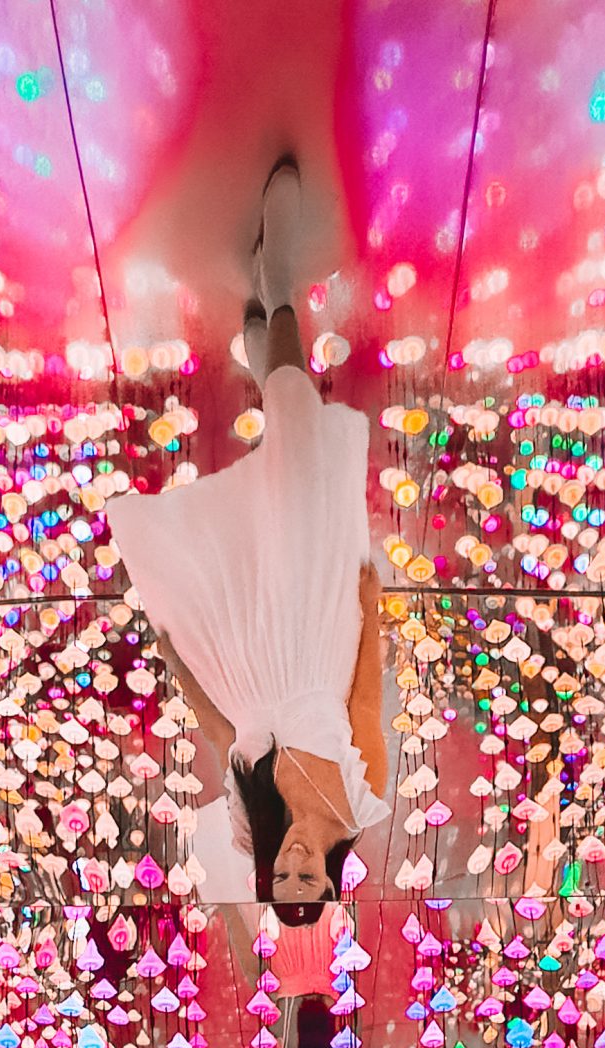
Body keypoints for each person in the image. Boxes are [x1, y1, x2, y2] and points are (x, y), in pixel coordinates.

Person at [109, 159, 390, 916]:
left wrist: (172, 647)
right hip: (320, 627)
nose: (294, 865)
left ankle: (268, 337)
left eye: (281, 878)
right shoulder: (363, 801)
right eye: (308, 878)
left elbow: (214, 726)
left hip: (247, 640)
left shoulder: (248, 820)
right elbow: (366, 693)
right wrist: (370, 601)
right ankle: (278, 285)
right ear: (332, 881)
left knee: (267, 484)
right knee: (300, 449)